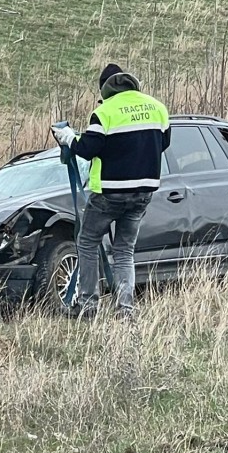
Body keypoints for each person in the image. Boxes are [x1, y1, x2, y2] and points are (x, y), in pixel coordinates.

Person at [51, 63, 170, 318]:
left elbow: (86, 149)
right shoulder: (157, 108)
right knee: (124, 249)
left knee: (87, 241)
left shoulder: (104, 112)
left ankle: (88, 305)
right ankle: (125, 309)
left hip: (109, 193)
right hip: (143, 192)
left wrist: (67, 137)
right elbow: (164, 143)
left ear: (105, 90)